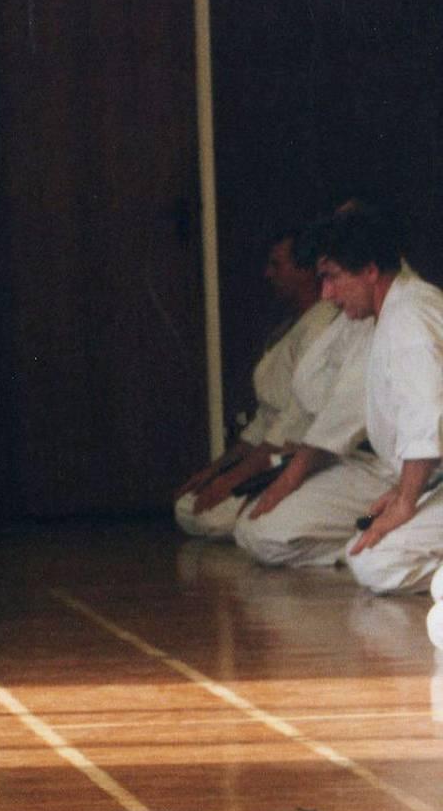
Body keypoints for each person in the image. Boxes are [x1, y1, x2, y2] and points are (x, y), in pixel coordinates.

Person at [236, 203, 443, 593]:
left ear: (369, 270)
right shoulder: (395, 310)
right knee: (362, 553)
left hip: (427, 477)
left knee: (376, 563)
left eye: (332, 278)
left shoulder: (411, 317)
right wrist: (402, 492)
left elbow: (426, 416)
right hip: (420, 477)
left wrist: (405, 501)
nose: (327, 294)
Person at [176, 229, 338, 537]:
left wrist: (233, 480)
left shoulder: (321, 326)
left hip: (298, 455)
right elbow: (263, 423)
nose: (268, 274)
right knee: (190, 505)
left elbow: (292, 423)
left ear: (306, 271)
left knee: (217, 517)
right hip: (268, 452)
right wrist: (216, 471)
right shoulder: (293, 326)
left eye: (277, 265)